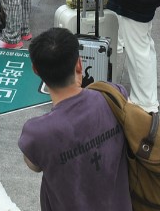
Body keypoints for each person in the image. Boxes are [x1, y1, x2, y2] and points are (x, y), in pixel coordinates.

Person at [20, 28, 133, 211]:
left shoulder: (37, 132)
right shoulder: (114, 96)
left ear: (36, 71)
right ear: (79, 64)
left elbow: (33, 165)